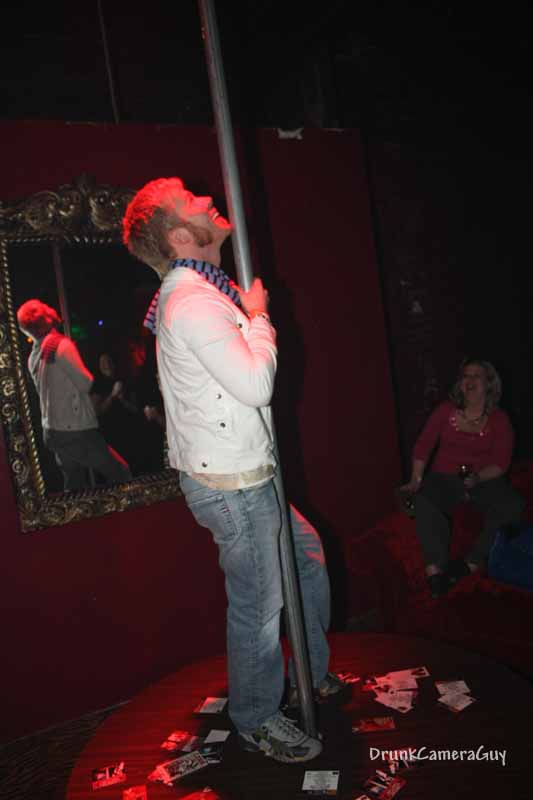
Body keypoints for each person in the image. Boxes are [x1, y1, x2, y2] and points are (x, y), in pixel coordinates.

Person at [122, 177, 343, 764]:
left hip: (244, 473)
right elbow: (255, 383)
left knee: (306, 559)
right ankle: (257, 718)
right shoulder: (193, 302)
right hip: (233, 486)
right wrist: (260, 316)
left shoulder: (201, 291)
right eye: (191, 201)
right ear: (180, 235)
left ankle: (311, 671)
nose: (206, 200)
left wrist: (247, 313)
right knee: (259, 605)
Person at [401, 359, 524, 598]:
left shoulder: (500, 419)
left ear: (489, 384)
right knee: (424, 498)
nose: (469, 380)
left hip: (484, 480)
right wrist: (416, 479)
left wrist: (478, 477)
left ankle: (471, 563)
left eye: (476, 376)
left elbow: (501, 463)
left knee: (513, 504)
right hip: (444, 478)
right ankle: (435, 572)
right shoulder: (445, 411)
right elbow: (423, 445)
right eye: (466, 376)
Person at [16, 300, 132, 491]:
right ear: (47, 317)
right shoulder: (61, 345)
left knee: (74, 486)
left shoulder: (34, 356)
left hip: (53, 431)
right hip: (75, 430)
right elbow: (85, 383)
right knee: (120, 473)